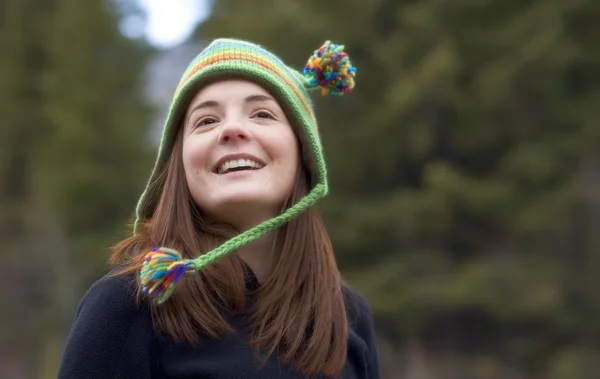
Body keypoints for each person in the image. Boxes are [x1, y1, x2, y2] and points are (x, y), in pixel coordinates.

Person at [57, 38, 380, 379]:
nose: (233, 129)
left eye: (262, 114)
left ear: (303, 154)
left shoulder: (349, 316)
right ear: (178, 164)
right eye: (207, 121)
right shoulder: (131, 305)